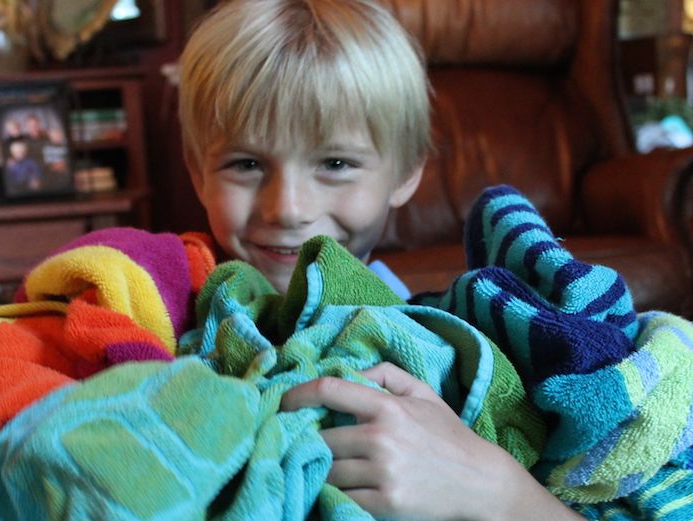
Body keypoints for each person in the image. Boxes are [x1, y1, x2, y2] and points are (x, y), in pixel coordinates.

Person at [177, 0, 582, 519]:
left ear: (407, 171)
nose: (289, 209)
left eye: (336, 163)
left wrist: (496, 488)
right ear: (197, 171)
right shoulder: (165, 313)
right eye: (247, 163)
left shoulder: (453, 338)